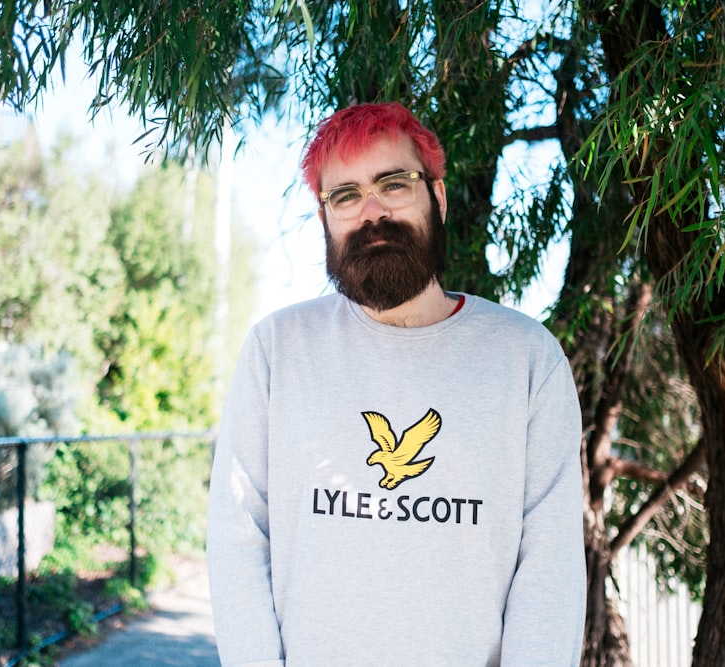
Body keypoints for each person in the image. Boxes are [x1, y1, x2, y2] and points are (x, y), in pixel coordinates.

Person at [206, 102, 586, 667]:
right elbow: (238, 539)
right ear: (325, 216)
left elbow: (549, 571)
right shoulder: (277, 351)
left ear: (439, 194)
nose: (372, 211)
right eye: (346, 195)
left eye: (393, 183)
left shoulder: (527, 360)